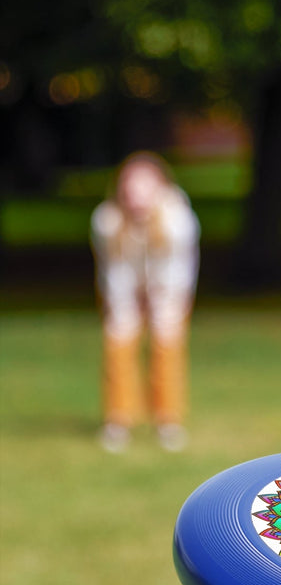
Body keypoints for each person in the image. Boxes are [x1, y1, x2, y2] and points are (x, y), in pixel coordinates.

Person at [91, 151, 200, 452]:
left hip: (168, 289)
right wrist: (126, 305)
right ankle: (118, 420)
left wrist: (160, 302)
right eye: (130, 187)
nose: (136, 195)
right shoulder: (107, 220)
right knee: (118, 341)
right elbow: (114, 270)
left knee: (167, 345)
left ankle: (168, 421)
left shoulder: (178, 220)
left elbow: (177, 270)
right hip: (123, 288)